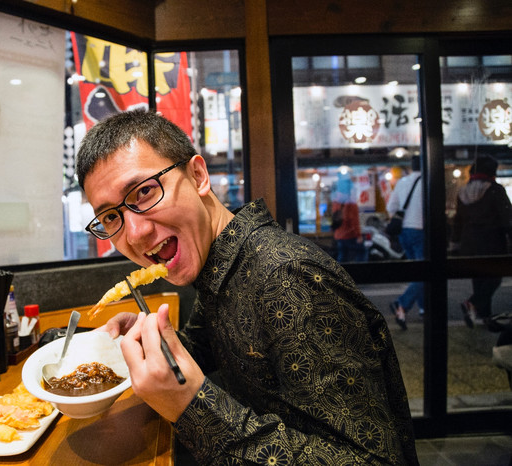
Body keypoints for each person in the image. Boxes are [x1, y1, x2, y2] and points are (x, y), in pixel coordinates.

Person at [76, 110, 418, 464]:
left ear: (197, 176)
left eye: (144, 191)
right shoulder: (219, 263)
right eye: (111, 217)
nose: (134, 233)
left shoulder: (286, 276)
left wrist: (192, 407)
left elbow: (372, 460)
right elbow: (212, 346)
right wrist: (156, 345)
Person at [450, 156, 512, 331]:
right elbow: (507, 218)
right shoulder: (495, 190)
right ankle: (472, 303)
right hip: (492, 243)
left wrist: (455, 245)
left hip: (469, 244)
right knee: (494, 279)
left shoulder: (463, 192)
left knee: (479, 280)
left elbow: (458, 222)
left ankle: (486, 318)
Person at [386, 156, 424, 330]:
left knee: (418, 273)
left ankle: (424, 308)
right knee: (424, 273)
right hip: (421, 230)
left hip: (404, 232)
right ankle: (402, 304)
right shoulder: (428, 181)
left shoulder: (402, 182)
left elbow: (391, 207)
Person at [331, 173, 366, 262]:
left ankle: (340, 274)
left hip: (338, 235)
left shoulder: (335, 203)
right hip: (350, 235)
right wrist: (358, 236)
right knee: (362, 252)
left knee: (342, 256)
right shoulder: (351, 204)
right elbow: (354, 221)